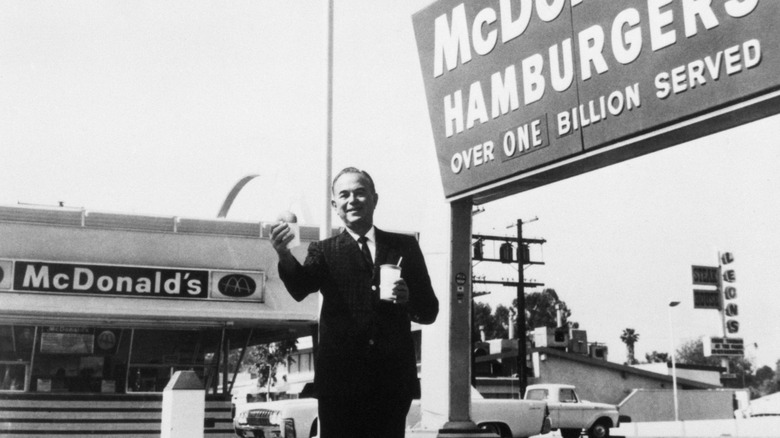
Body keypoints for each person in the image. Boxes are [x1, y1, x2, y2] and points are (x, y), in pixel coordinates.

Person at [270, 167, 439, 438]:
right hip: (340, 385)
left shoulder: (404, 247)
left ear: (374, 198)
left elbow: (429, 311)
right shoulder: (323, 251)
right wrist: (284, 254)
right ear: (335, 205)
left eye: (360, 193)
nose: (353, 200)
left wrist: (408, 300)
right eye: (344, 195)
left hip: (391, 383)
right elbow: (301, 287)